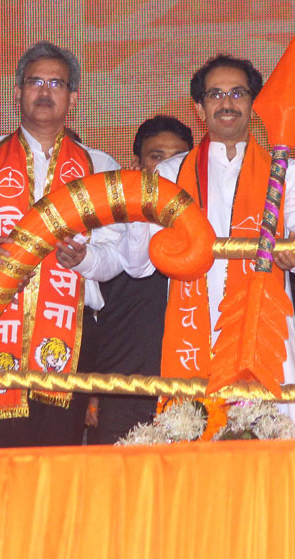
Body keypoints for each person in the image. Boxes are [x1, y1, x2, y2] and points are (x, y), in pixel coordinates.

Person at [123, 54, 295, 429]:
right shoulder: (169, 172)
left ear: (254, 104)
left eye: (237, 93)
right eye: (215, 95)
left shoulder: (285, 172)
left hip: (265, 337)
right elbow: (137, 265)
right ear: (199, 108)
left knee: (270, 456)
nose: (227, 103)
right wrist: (137, 203)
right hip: (191, 332)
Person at [0, 41, 125, 448]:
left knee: (57, 456)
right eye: (35, 82)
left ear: (73, 97)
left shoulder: (100, 167)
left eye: (56, 83)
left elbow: (116, 255)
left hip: (71, 330)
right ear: (18, 91)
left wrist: (86, 258)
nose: (45, 92)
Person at [84, 115, 194, 444]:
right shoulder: (108, 222)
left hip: (186, 387)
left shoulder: (203, 228)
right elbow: (90, 314)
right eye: (157, 156)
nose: (166, 167)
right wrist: (92, 389)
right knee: (114, 491)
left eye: (178, 158)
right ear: (136, 163)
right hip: (119, 389)